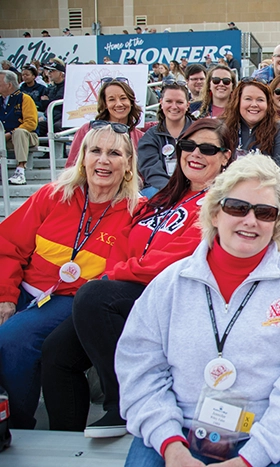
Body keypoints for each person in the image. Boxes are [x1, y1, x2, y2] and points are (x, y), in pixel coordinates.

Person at [115, 152, 280, 466]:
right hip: (181, 427)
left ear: (277, 224)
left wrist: (250, 459)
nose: (250, 221)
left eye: (264, 212)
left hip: (274, 432)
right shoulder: (171, 283)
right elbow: (140, 369)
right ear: (215, 213)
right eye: (237, 207)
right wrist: (171, 446)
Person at [41, 119, 233, 437]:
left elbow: (179, 257)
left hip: (174, 295)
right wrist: (112, 275)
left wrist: (112, 277)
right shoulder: (164, 197)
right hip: (129, 289)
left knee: (94, 298)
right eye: (188, 146)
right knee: (57, 352)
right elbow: (124, 241)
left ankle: (126, 404)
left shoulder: (222, 203)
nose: (195, 154)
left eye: (208, 149)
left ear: (225, 156)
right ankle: (65, 438)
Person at [0, 122, 140, 429]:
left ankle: (16, 426)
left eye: (114, 153)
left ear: (128, 164)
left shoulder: (136, 212)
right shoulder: (53, 195)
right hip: (23, 288)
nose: (103, 160)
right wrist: (6, 297)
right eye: (96, 151)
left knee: (14, 339)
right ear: (83, 157)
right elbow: (7, 245)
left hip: (70, 298)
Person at [66, 77, 144, 168]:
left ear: (131, 102)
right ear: (105, 104)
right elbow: (71, 167)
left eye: (123, 98)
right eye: (111, 99)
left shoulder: (141, 138)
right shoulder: (87, 130)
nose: (119, 104)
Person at [137, 80, 194, 198]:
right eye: (169, 101)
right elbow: (151, 170)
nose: (174, 106)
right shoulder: (151, 136)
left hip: (194, 187)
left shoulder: (200, 132)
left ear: (187, 105)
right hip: (160, 189)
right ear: (161, 103)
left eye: (179, 102)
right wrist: (174, 191)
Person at [222, 78, 280, 168]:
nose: (254, 104)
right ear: (238, 102)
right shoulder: (223, 127)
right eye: (248, 99)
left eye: (260, 100)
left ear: (268, 104)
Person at [0, 70, 38, 185]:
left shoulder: (24, 98)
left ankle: (20, 170)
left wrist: (10, 133)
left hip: (27, 137)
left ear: (9, 85)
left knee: (19, 132)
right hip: (4, 138)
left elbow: (31, 123)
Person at [37, 61, 66, 137]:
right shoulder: (51, 88)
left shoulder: (67, 87)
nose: (49, 73)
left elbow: (59, 106)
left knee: (55, 127)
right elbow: (43, 104)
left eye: (52, 71)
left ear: (61, 74)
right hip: (49, 116)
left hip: (59, 118)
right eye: (49, 71)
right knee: (36, 126)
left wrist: (47, 101)